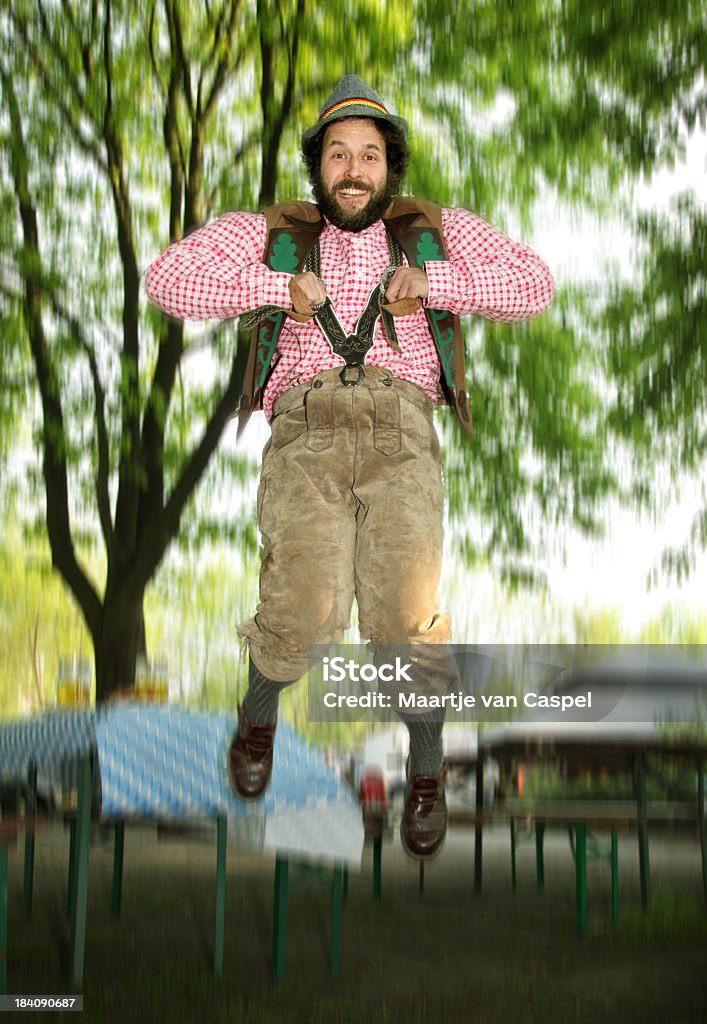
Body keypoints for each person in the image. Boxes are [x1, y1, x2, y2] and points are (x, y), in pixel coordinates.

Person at [145, 75, 554, 860]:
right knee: (301, 600)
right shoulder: (272, 232)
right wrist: (275, 289)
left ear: (389, 166)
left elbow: (533, 285)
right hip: (307, 432)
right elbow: (169, 280)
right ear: (319, 167)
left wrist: (437, 283)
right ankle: (259, 716)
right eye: (338, 154)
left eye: (370, 154)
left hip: (403, 431)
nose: (354, 169)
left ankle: (427, 769)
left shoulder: (436, 227)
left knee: (407, 612)